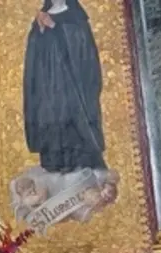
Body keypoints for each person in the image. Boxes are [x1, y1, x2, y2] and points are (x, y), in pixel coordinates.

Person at [23, 0, 107, 174]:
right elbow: (35, 54)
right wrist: (39, 30)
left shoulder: (76, 17)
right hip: (48, 85)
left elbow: (83, 50)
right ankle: (54, 163)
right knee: (50, 117)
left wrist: (54, 26)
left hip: (72, 85)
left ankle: (80, 164)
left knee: (73, 118)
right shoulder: (42, 16)